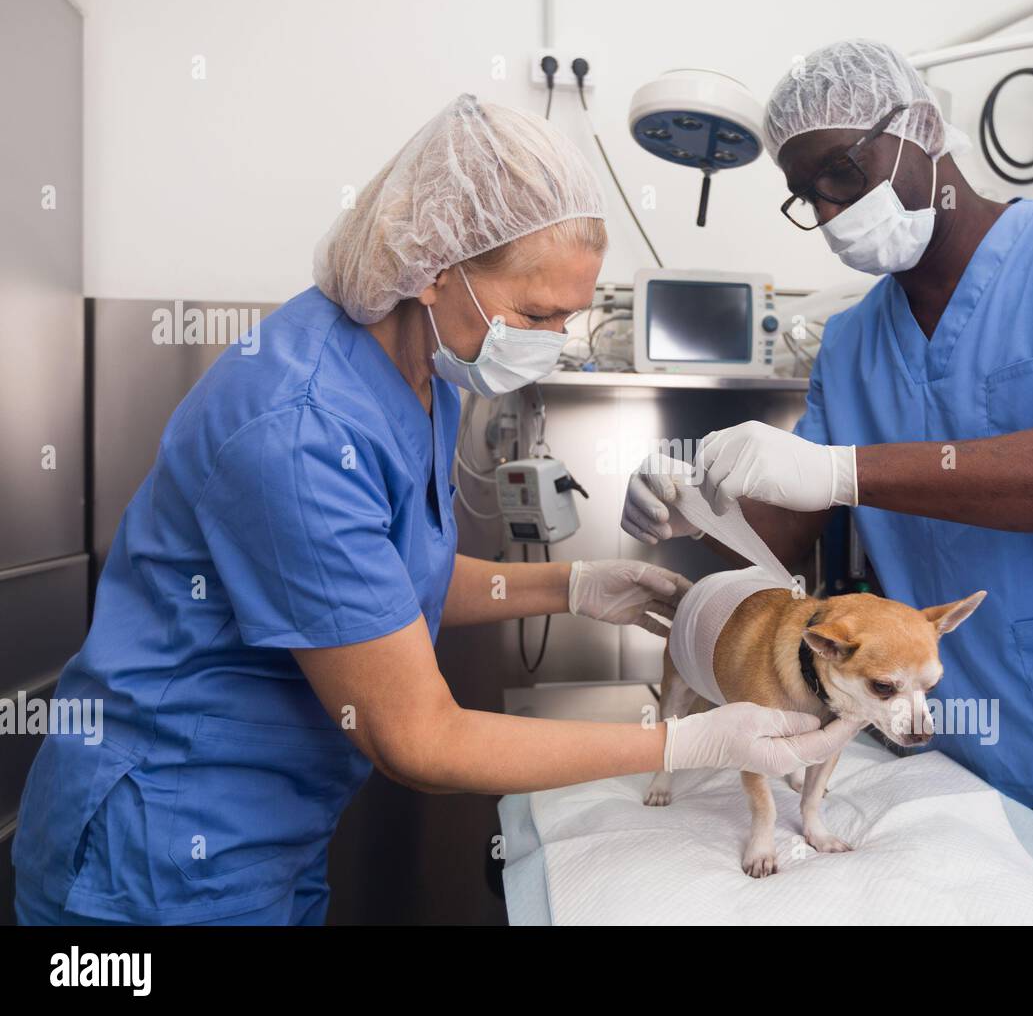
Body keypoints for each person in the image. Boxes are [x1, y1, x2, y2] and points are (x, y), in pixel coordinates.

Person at [13, 94, 858, 926]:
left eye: (571, 314)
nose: (557, 339)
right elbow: (417, 737)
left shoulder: (427, 374)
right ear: (434, 268)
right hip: (157, 847)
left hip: (273, 833)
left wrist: (575, 585)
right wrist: (689, 744)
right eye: (537, 313)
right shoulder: (301, 428)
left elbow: (384, 585)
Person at [622, 41, 1033, 926]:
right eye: (808, 194)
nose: (831, 208)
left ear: (919, 129)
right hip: (940, 749)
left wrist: (845, 468)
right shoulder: (851, 341)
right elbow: (776, 543)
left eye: (842, 171)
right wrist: (688, 495)